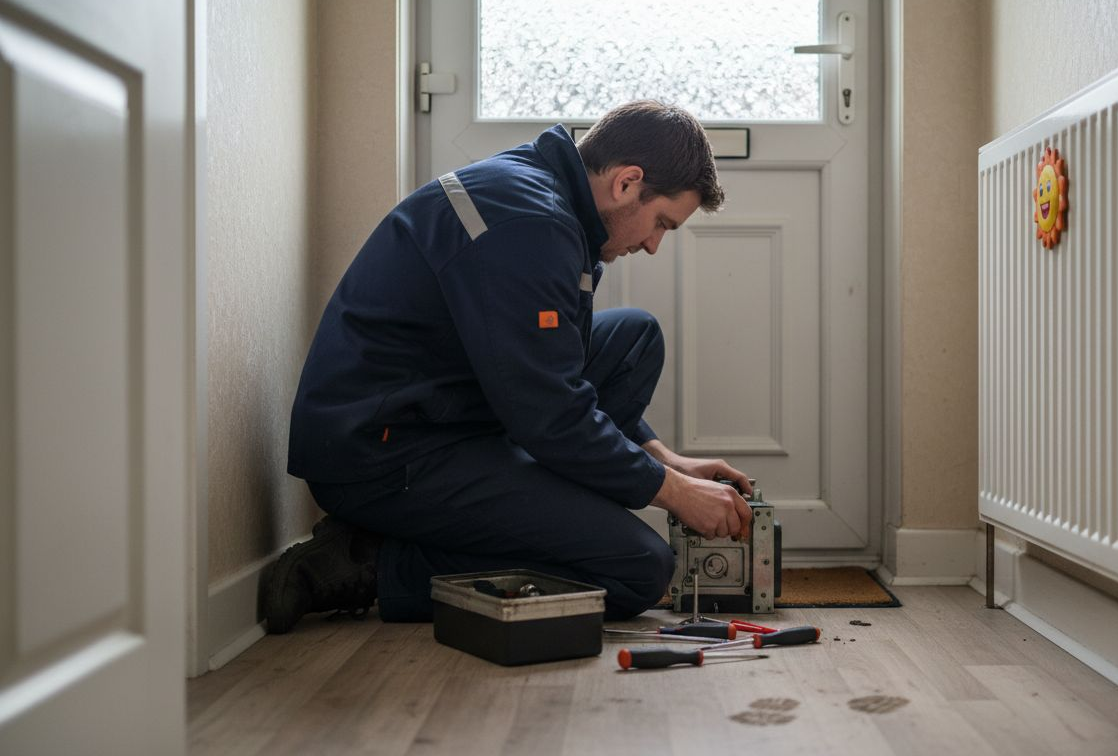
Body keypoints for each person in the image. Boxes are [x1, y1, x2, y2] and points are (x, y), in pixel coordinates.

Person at [260, 100, 754, 633]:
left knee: (633, 337)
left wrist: (664, 460)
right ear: (627, 182)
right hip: (380, 455)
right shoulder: (530, 223)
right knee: (639, 568)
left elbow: (555, 370)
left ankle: (524, 508)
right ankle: (373, 561)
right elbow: (550, 413)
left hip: (444, 412)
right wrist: (673, 493)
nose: (655, 245)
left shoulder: (552, 197)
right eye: (661, 223)